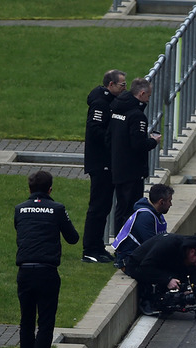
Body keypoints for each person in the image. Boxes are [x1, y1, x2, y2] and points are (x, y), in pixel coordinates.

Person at [14, 171, 79, 348]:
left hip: (24, 271)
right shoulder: (57, 209)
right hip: (47, 271)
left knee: (26, 321)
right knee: (45, 323)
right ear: (50, 189)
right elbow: (73, 238)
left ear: (29, 189)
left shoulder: (20, 209)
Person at [124, 232, 196, 319]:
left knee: (194, 270)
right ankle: (148, 301)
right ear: (192, 252)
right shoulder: (168, 245)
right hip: (138, 266)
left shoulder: (188, 254)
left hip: (160, 266)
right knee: (163, 278)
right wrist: (167, 279)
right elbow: (145, 267)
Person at [81, 69, 127, 263]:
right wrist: (114, 139)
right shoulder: (100, 103)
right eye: (121, 84)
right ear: (111, 85)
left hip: (106, 163)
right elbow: (95, 129)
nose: (124, 87)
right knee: (98, 207)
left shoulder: (108, 101)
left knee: (104, 206)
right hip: (100, 164)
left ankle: (97, 246)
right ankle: (90, 249)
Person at [108, 77, 161, 233]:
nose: (148, 100)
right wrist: (153, 141)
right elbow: (138, 145)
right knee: (130, 210)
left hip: (118, 167)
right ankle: (125, 247)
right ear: (142, 93)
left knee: (121, 208)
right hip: (132, 171)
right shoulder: (137, 116)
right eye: (148, 96)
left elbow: (108, 137)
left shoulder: (116, 109)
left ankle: (118, 242)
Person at [112, 183, 174, 270]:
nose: (171, 204)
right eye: (169, 201)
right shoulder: (145, 217)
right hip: (129, 261)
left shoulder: (157, 213)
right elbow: (153, 245)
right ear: (161, 202)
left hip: (141, 257)